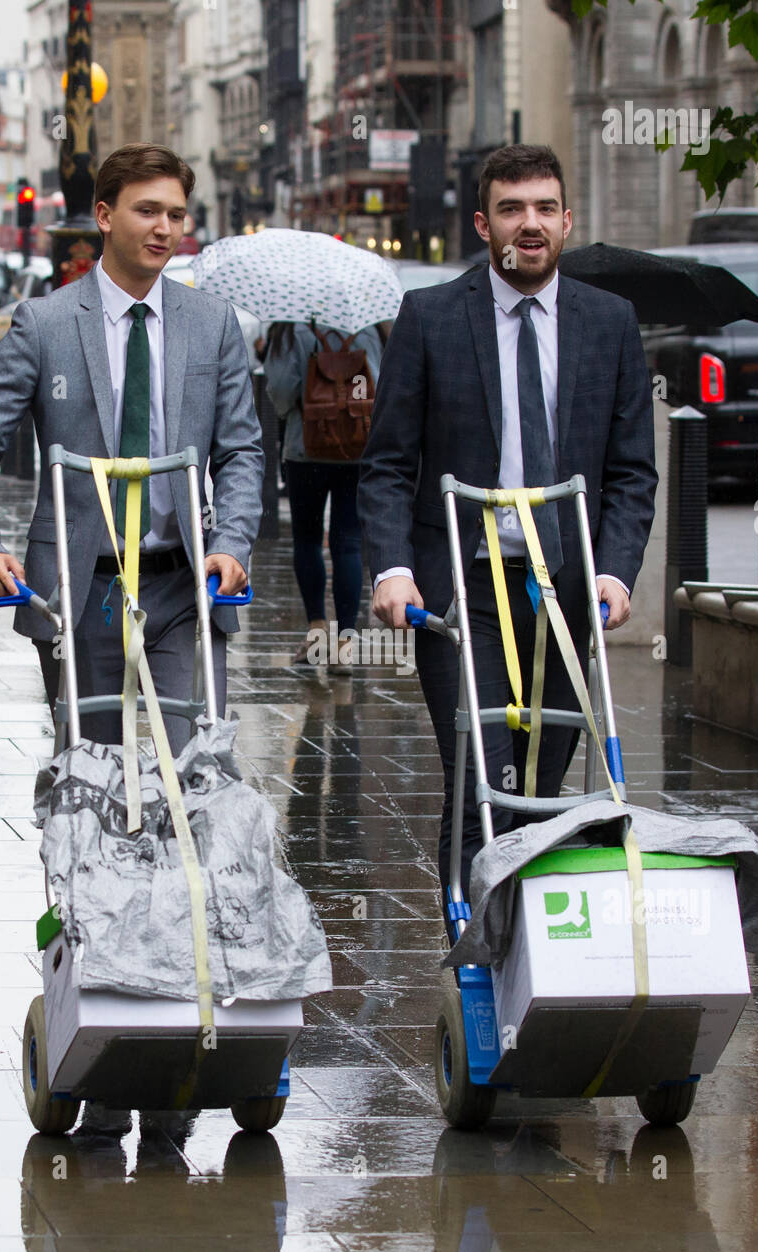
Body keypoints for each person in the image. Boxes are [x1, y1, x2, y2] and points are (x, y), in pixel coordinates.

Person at [357, 143, 657, 921]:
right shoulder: (429, 316)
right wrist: (391, 567)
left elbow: (632, 473)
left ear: (567, 219)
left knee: (543, 778)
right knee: (480, 775)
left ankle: (534, 946)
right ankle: (478, 962)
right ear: (484, 221)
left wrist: (616, 575)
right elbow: (388, 462)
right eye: (514, 209)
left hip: (565, 587)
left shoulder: (609, 322)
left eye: (545, 208)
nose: (531, 224)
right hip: (462, 588)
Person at [0, 143, 264, 752]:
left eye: (175, 214)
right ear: (104, 215)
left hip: (183, 584)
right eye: (147, 211)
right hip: (81, 585)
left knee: (196, 771)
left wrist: (232, 542)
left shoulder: (212, 322)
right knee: (87, 784)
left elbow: (242, 451)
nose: (164, 228)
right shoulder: (45, 323)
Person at [262, 319, 384, 673]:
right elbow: (378, 385)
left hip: (306, 451)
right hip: (357, 451)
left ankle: (316, 634)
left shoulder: (293, 329)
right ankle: (346, 643)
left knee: (308, 540)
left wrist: (299, 410)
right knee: (348, 542)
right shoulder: (367, 330)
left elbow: (281, 391)